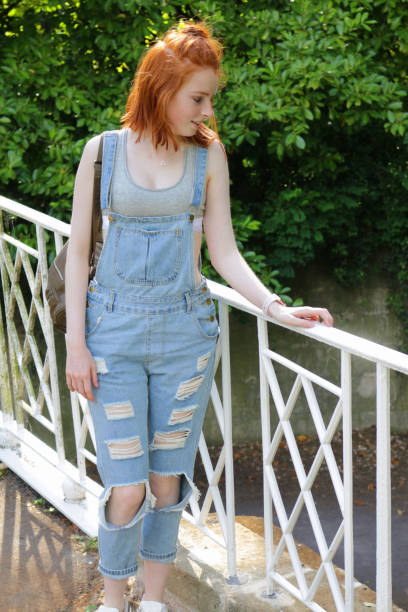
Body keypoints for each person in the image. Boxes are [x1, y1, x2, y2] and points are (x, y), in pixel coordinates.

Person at [65, 20, 333, 612]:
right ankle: (115, 602)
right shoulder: (103, 151)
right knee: (127, 485)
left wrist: (274, 307)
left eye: (210, 97)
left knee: (166, 482)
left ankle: (153, 601)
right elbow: (79, 252)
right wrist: (75, 347)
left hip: (186, 336)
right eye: (198, 97)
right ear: (161, 88)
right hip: (112, 335)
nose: (207, 109)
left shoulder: (207, 155)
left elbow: (225, 250)